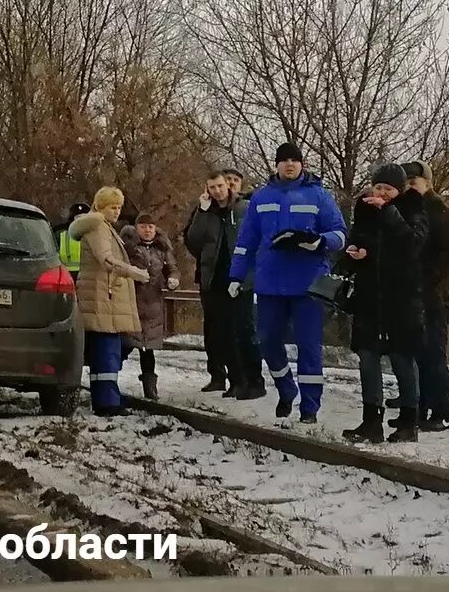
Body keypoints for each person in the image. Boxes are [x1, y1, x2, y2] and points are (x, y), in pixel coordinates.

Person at [230, 141, 348, 424]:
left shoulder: (319, 196)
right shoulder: (261, 198)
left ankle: (310, 407)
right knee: (267, 340)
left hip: (308, 284)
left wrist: (319, 242)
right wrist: (236, 275)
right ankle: (286, 388)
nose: (289, 165)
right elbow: (245, 242)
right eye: (284, 161)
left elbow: (341, 234)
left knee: (309, 347)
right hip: (270, 283)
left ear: (301, 165)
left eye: (294, 160)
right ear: (277, 165)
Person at [341, 163, 428, 444]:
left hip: (401, 299)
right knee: (368, 356)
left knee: (402, 358)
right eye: (378, 187)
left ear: (399, 191)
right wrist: (354, 252)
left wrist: (388, 212)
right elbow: (356, 238)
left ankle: (409, 419)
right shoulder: (364, 209)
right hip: (369, 297)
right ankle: (371, 420)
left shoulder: (413, 208)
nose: (381, 194)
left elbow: (413, 242)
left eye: (388, 189)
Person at [70, 186, 149, 417]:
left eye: (118, 207)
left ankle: (106, 396)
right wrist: (134, 272)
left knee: (107, 349)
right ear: (100, 207)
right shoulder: (97, 227)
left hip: (102, 296)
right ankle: (107, 401)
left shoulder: (100, 226)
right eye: (112, 207)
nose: (116, 211)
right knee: (108, 350)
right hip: (103, 297)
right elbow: (107, 260)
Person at [182, 170, 261, 397]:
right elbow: (194, 241)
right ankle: (231, 379)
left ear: (227, 186)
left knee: (243, 329)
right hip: (214, 278)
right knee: (220, 331)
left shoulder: (243, 208)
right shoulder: (207, 212)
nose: (217, 191)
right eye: (212, 187)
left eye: (220, 186)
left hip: (240, 277)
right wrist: (202, 212)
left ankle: (253, 379)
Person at [400, 163, 449, 432]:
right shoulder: (407, 210)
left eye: (414, 181)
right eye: (406, 182)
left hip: (435, 294)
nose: (409, 187)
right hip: (411, 292)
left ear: (427, 182)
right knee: (416, 350)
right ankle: (421, 404)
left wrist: (431, 276)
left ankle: (444, 408)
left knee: (433, 351)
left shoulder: (439, 211)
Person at [126, 211, 176, 400]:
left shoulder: (162, 248)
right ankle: (109, 380)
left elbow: (172, 268)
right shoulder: (128, 247)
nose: (147, 230)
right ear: (136, 228)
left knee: (148, 349)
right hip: (132, 302)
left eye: (151, 227)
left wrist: (173, 279)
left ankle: (150, 387)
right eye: (143, 226)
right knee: (126, 344)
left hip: (154, 303)